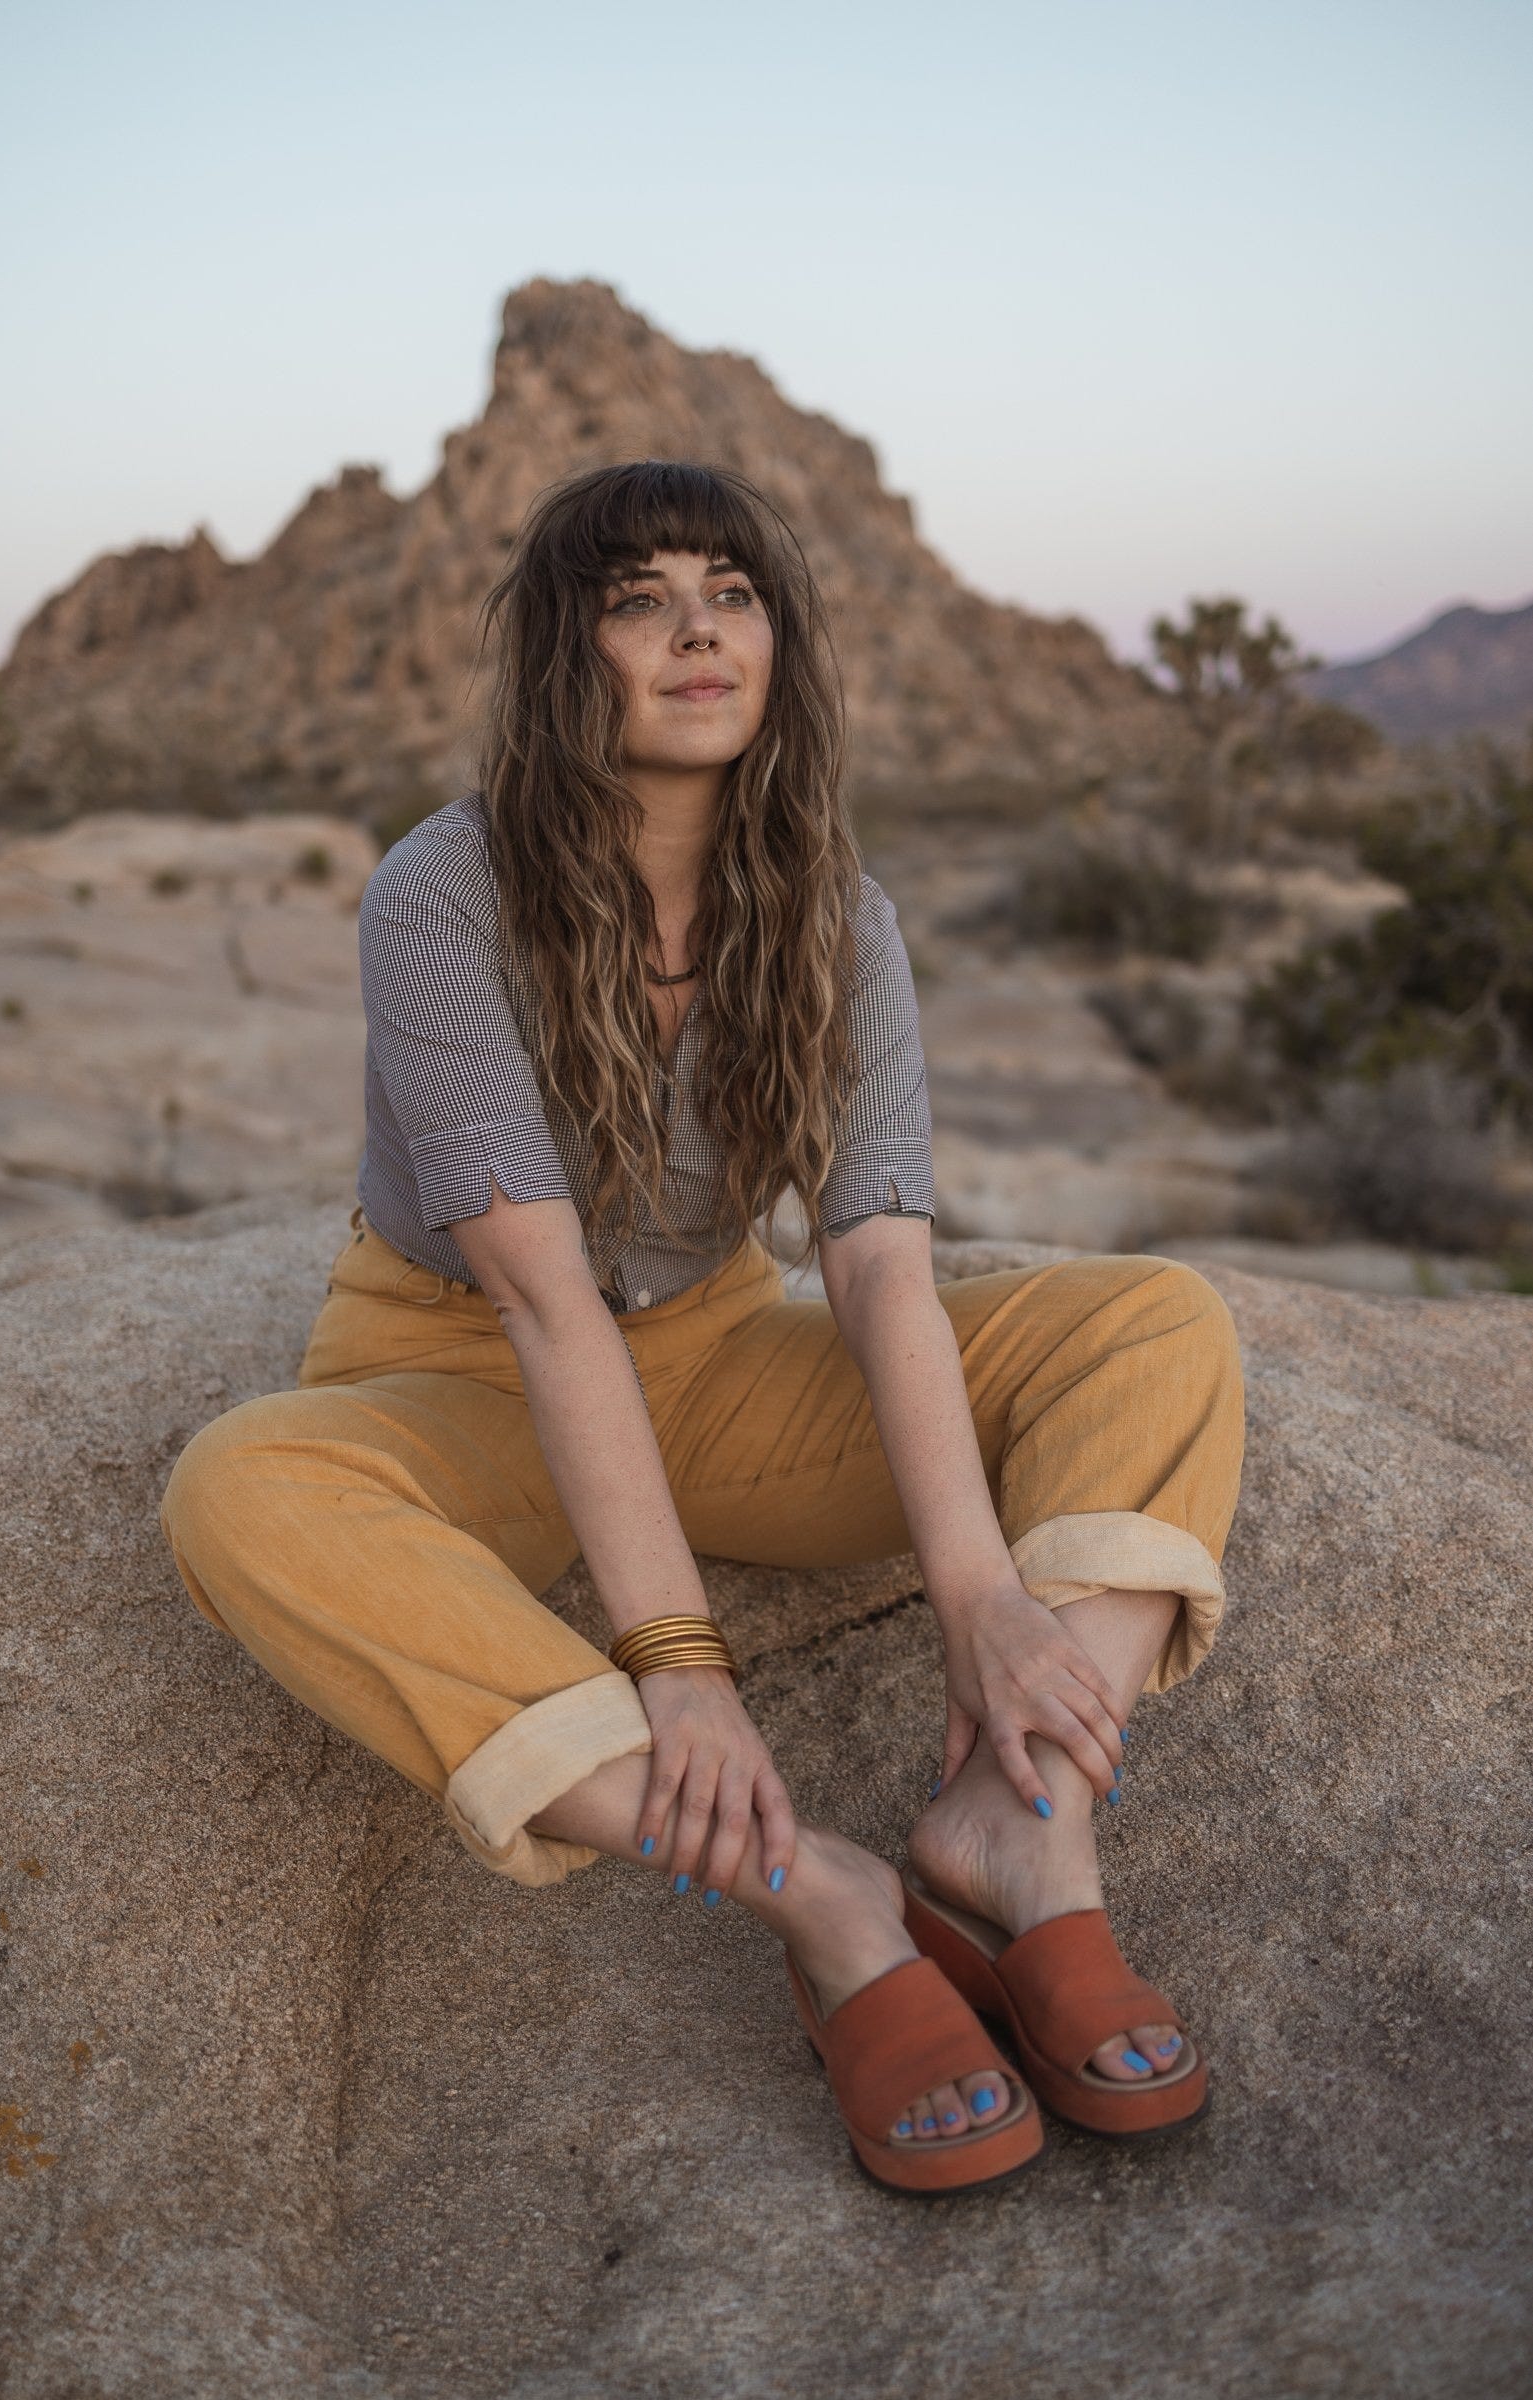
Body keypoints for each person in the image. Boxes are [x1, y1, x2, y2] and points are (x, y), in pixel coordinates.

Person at [160, 460, 1245, 2194]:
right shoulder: (439, 895)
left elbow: (881, 1258)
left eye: (731, 593)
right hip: (462, 1370)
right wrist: (685, 1673)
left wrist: (979, 1595)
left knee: (1154, 1323)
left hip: (730, 1358)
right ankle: (821, 1894)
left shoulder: (832, 906)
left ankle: (1023, 1834)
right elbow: (534, 1296)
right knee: (243, 1491)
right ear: (560, 652)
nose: (694, 632)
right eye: (637, 597)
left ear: (778, 643)